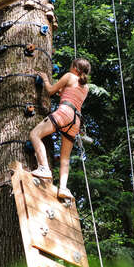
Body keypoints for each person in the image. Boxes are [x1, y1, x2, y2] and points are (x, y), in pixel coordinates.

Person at [29, 58, 91, 199]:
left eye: (71, 66)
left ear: (75, 68)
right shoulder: (86, 88)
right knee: (65, 158)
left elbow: (50, 90)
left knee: (35, 134)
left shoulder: (69, 76)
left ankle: (44, 167)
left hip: (64, 112)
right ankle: (63, 188)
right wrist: (62, 92)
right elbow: (71, 95)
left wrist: (45, 79)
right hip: (76, 120)